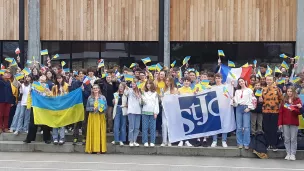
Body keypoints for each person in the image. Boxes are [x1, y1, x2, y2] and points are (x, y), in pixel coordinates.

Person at [24, 75, 52, 144]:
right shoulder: (34, 85)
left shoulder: (47, 86)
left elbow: (50, 96)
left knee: (45, 123)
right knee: (32, 123)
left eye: (44, 77)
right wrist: (28, 104)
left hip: (44, 107)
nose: (42, 77)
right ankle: (29, 138)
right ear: (39, 78)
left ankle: (47, 139)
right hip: (35, 106)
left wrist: (48, 91)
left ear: (45, 79)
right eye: (41, 76)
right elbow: (30, 95)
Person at [278, 87, 302, 161]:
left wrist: (294, 109)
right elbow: (281, 113)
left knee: (293, 139)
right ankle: (288, 153)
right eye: (288, 91)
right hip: (285, 123)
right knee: (287, 139)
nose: (289, 93)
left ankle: (293, 154)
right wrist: (280, 123)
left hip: (294, 122)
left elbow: (300, 112)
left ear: (293, 92)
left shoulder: (297, 100)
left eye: (291, 91)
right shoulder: (284, 101)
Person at [260, 76, 283, 151]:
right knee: (266, 128)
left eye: (270, 80)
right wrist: (260, 100)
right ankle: (267, 144)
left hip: (275, 111)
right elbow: (261, 100)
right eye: (267, 80)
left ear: (273, 80)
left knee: (273, 128)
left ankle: (273, 144)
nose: (269, 81)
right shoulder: (263, 89)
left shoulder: (277, 89)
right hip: (265, 111)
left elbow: (281, 99)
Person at [70, 69, 91, 145]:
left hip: (84, 105)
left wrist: (83, 90)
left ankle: (84, 138)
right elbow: (72, 92)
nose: (81, 75)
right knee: (76, 122)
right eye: (80, 74)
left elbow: (88, 95)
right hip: (76, 105)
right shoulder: (75, 83)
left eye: (82, 74)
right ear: (78, 75)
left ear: (85, 75)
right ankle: (75, 137)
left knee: (84, 122)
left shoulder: (87, 83)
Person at [233, 78, 255, 149]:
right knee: (239, 127)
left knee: (246, 127)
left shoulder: (249, 90)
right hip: (239, 108)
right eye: (239, 82)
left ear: (245, 82)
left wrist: (249, 108)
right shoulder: (237, 91)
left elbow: (253, 100)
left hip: (246, 108)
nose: (241, 83)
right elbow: (235, 101)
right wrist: (234, 101)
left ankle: (246, 143)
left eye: (242, 81)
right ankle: (240, 143)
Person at [85, 84, 107, 154]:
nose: (95, 89)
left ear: (99, 89)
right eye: (94, 88)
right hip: (92, 116)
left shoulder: (103, 97)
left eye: (96, 88)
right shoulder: (90, 98)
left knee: (99, 132)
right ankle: (91, 148)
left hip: (100, 116)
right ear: (92, 90)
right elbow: (87, 108)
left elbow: (105, 107)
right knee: (93, 132)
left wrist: (101, 108)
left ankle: (99, 149)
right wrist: (92, 108)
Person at [177, 76, 196, 147]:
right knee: (181, 125)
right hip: (181, 110)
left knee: (188, 125)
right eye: (185, 81)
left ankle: (187, 140)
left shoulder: (192, 90)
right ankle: (181, 140)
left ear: (190, 82)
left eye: (188, 81)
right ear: (183, 82)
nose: (186, 82)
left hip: (189, 110)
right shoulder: (179, 90)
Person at [211, 73, 229, 148]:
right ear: (214, 79)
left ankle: (224, 140)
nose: (218, 79)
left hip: (224, 108)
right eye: (216, 78)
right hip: (214, 109)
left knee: (224, 123)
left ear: (221, 79)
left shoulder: (224, 87)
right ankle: (214, 140)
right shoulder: (212, 87)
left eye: (219, 78)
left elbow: (227, 96)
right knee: (214, 124)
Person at [51, 74, 69, 145]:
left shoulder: (66, 85)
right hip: (55, 106)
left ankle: (62, 138)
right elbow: (52, 96)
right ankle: (55, 138)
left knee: (62, 123)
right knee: (55, 122)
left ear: (62, 78)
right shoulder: (54, 87)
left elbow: (68, 95)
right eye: (57, 78)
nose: (59, 80)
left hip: (63, 106)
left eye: (60, 78)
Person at [141, 80, 159, 147]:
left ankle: (152, 141)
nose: (148, 85)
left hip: (152, 112)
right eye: (147, 84)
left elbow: (156, 104)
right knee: (145, 127)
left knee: (152, 127)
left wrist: (155, 112)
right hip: (145, 111)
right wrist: (142, 100)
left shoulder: (155, 93)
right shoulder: (143, 93)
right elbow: (142, 103)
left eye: (149, 83)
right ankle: (145, 141)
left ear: (152, 85)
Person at [124, 80, 142, 147]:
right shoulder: (130, 90)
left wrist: (139, 96)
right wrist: (126, 88)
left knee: (137, 127)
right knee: (132, 127)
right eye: (132, 84)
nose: (133, 85)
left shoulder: (139, 91)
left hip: (138, 111)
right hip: (131, 111)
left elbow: (141, 102)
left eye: (134, 84)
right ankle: (131, 141)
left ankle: (135, 140)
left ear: (137, 85)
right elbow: (125, 94)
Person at [160, 76, 177, 146]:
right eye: (166, 81)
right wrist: (161, 97)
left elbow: (176, 100)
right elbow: (161, 100)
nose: (167, 82)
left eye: (168, 81)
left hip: (171, 110)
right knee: (164, 124)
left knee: (170, 125)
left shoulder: (175, 89)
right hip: (164, 109)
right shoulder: (163, 89)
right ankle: (164, 141)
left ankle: (170, 140)